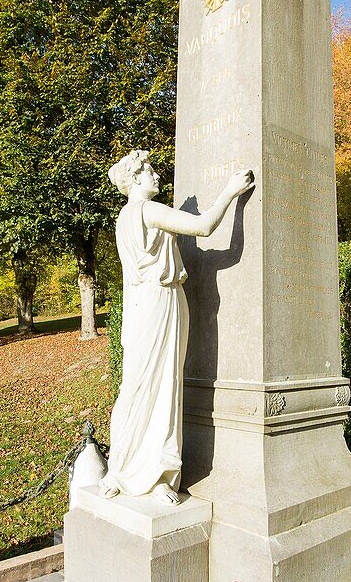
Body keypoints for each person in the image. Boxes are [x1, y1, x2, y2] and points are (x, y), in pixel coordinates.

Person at [100, 149, 253, 505]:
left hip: (143, 305)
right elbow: (203, 227)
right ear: (136, 178)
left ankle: (135, 471)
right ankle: (143, 473)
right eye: (150, 170)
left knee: (140, 388)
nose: (156, 175)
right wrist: (232, 193)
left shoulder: (124, 218)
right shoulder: (147, 211)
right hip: (160, 302)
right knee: (159, 387)